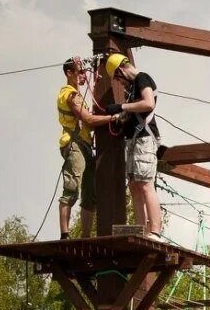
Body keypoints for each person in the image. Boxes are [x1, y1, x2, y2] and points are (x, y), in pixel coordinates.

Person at [102, 53, 164, 239]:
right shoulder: (132, 90)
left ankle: (155, 230)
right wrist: (120, 119)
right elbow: (134, 110)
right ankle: (141, 230)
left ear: (120, 70)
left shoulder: (141, 78)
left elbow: (148, 103)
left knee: (145, 184)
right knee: (134, 185)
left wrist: (122, 107)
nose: (121, 84)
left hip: (145, 139)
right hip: (134, 139)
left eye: (118, 79)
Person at [54, 57, 114, 239]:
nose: (82, 75)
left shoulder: (78, 96)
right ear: (68, 73)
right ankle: (65, 234)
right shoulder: (68, 94)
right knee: (72, 188)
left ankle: (86, 236)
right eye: (79, 72)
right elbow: (87, 119)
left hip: (85, 145)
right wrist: (114, 118)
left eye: (83, 72)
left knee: (90, 194)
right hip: (74, 144)